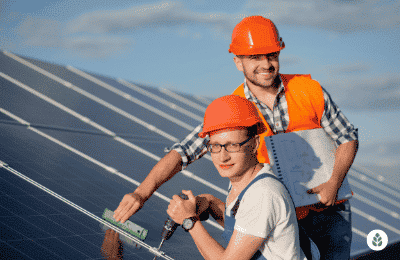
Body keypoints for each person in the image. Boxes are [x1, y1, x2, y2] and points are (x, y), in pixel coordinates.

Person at [114, 16, 358, 259]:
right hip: (276, 211)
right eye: (255, 57)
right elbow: (185, 151)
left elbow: (347, 136)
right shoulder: (235, 107)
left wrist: (334, 182)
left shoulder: (308, 90)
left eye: (272, 54)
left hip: (328, 209)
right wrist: (141, 193)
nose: (266, 64)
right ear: (238, 63)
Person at [167, 95, 303, 259]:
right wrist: (212, 204)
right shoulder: (244, 181)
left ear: (254, 144)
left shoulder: (263, 194)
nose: (223, 157)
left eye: (233, 145)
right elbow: (247, 227)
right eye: (216, 146)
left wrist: (189, 221)